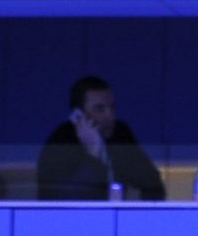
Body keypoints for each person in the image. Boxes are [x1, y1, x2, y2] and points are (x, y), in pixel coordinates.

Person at [35, 76, 167, 201]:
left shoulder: (120, 134)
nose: (109, 116)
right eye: (100, 109)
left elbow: (154, 186)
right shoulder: (61, 142)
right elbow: (72, 196)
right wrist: (94, 153)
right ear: (78, 115)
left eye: (112, 107)